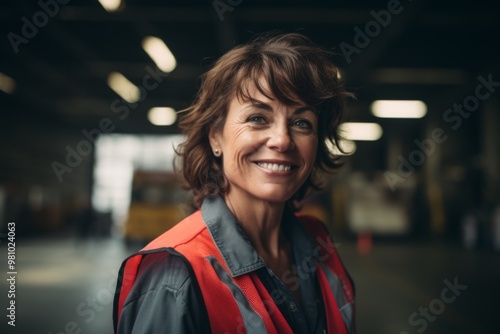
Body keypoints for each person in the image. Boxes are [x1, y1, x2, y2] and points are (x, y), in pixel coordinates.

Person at [113, 32, 355, 334]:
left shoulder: (320, 245)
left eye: (301, 123)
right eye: (257, 118)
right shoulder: (177, 274)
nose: (282, 140)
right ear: (216, 136)